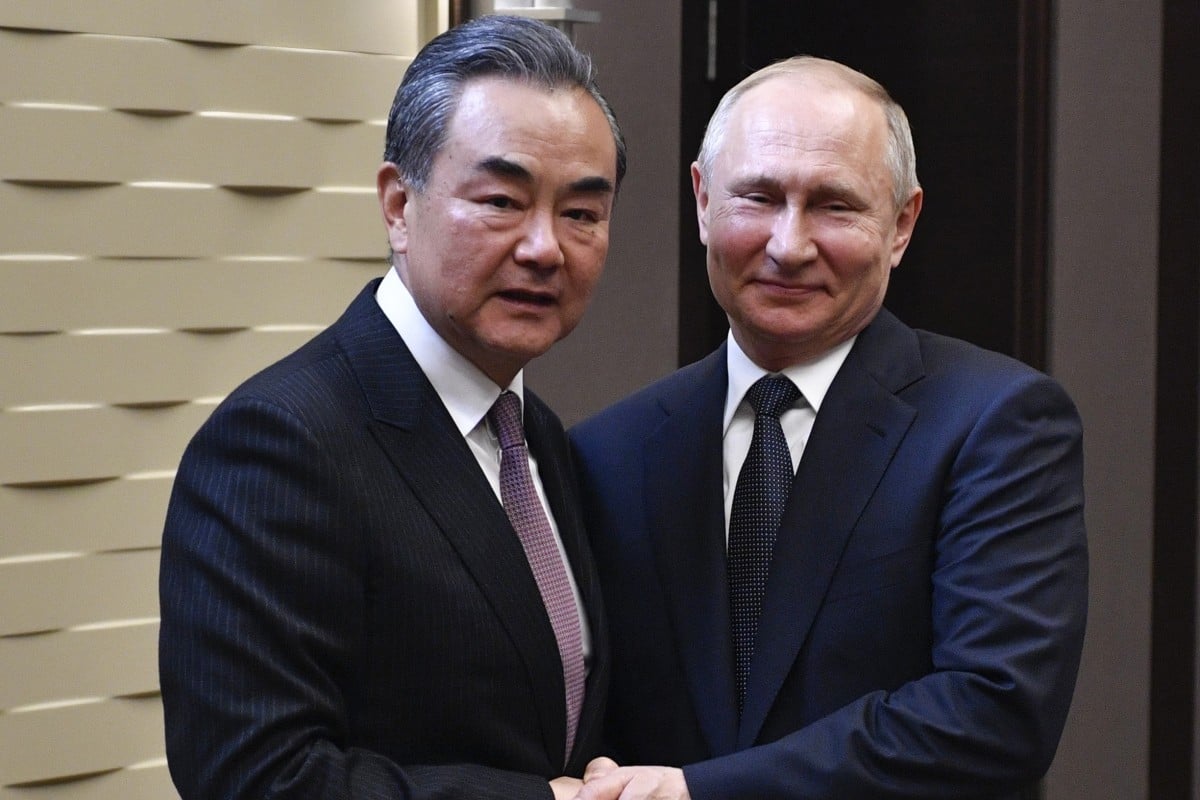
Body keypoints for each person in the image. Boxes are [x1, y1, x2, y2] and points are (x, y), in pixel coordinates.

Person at [568, 56, 1086, 800]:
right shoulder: (607, 452)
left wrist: (700, 792)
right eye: (759, 196)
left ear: (901, 224)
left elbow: (995, 714)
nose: (789, 244)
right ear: (703, 199)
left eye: (834, 206)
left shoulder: (997, 426)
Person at [158, 14, 626, 800]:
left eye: (581, 213)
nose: (545, 247)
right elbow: (256, 776)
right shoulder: (281, 440)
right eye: (502, 200)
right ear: (398, 205)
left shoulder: (535, 434)